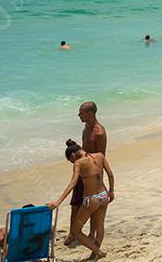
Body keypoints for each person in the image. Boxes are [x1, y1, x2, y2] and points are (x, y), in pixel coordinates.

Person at [48, 139, 115, 260]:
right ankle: (94, 253)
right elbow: (110, 174)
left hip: (91, 199)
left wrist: (58, 202)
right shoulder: (100, 155)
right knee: (100, 228)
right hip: (104, 196)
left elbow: (73, 183)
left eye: (70, 160)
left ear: (73, 155)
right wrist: (111, 191)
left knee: (75, 231)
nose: (72, 162)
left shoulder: (78, 163)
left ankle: (99, 252)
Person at [62, 102, 108, 247]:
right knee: (75, 203)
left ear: (90, 113)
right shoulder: (86, 128)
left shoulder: (99, 132)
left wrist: (99, 178)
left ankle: (90, 234)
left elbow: (101, 156)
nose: (78, 115)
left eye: (81, 112)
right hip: (82, 171)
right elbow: (86, 151)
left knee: (93, 205)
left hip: (92, 175)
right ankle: (73, 233)